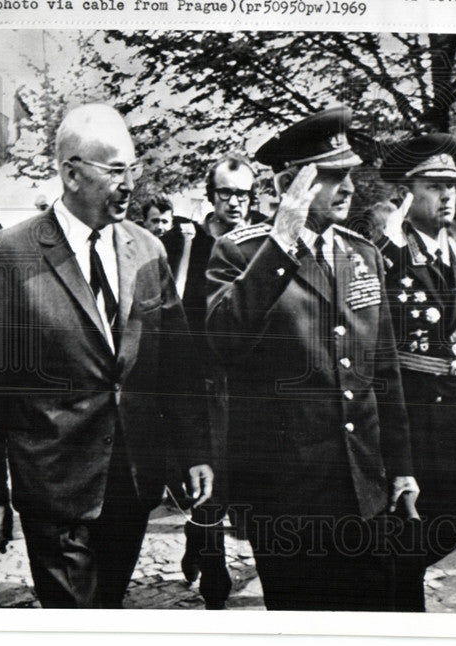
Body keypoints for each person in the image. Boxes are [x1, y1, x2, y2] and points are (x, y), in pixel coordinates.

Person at [0, 104, 213, 608]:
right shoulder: (9, 257)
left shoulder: (148, 249)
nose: (129, 184)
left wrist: (194, 452)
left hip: (132, 480)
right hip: (53, 483)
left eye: (132, 169)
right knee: (73, 618)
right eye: (115, 170)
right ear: (71, 173)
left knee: (109, 607)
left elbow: (177, 366)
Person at [205, 105, 417, 612]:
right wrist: (280, 242)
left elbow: (383, 371)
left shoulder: (362, 253)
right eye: (330, 177)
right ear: (289, 186)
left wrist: (402, 467)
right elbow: (222, 339)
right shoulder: (240, 253)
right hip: (287, 495)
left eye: (349, 175)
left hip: (363, 484)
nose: (347, 188)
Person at [376, 133, 456, 611]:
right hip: (407, 421)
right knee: (404, 544)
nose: (448, 195)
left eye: (452, 185)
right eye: (433, 185)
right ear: (405, 194)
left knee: (447, 527)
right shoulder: (385, 258)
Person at [168, 154, 259, 609]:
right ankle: (214, 575)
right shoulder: (189, 245)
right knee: (208, 483)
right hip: (203, 382)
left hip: (251, 384)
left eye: (244, 194)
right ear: (212, 196)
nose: (236, 203)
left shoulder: (262, 242)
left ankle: (196, 536)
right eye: (227, 193)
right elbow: (175, 319)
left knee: (248, 481)